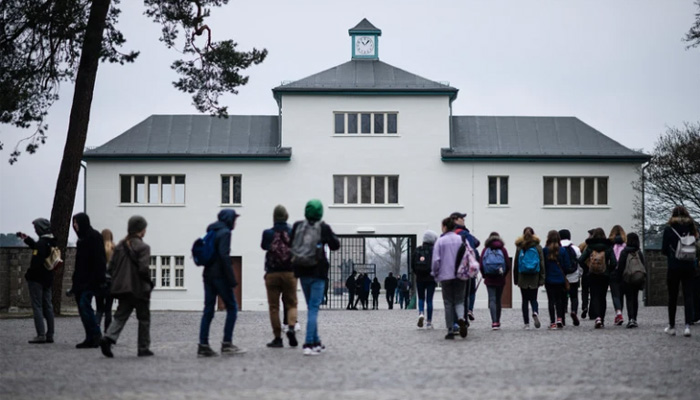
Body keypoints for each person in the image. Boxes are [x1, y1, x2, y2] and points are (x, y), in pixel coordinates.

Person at [290, 199, 340, 356]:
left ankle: (316, 342)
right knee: (313, 308)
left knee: (311, 306)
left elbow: (291, 244)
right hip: (318, 272)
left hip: (301, 271)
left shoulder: (298, 226)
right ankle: (308, 343)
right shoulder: (323, 227)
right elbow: (335, 245)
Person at [100, 216, 153, 358]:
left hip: (123, 289)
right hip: (139, 289)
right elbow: (143, 269)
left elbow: (110, 268)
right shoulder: (143, 247)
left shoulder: (119, 247)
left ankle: (108, 338)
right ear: (141, 230)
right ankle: (143, 348)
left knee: (120, 316)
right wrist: (150, 283)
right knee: (144, 318)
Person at [198, 209, 246, 357]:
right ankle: (227, 343)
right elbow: (224, 255)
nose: (236, 222)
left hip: (208, 274)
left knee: (208, 309)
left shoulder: (212, 231)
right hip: (219, 276)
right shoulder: (225, 232)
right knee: (232, 307)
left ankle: (203, 344)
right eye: (235, 219)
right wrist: (231, 279)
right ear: (229, 219)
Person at [260, 205, 298, 348]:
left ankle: (277, 338)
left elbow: (263, 246)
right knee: (292, 303)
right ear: (286, 216)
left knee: (274, 307)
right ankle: (292, 328)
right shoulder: (292, 232)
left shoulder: (268, 233)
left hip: (272, 273)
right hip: (290, 273)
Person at [17, 218, 56, 344]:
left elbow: (36, 262)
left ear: (40, 229)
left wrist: (28, 275)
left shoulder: (41, 244)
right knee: (48, 306)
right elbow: (39, 249)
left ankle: (40, 335)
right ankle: (50, 334)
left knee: (37, 306)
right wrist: (27, 239)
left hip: (37, 280)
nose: (35, 230)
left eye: (36, 228)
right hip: (48, 278)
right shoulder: (52, 241)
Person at [661, 205, 699, 337]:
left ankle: (672, 326)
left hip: (674, 267)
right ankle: (687, 326)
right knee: (688, 296)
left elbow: (664, 250)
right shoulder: (691, 228)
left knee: (673, 297)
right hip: (689, 266)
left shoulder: (669, 229)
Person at [71, 212, 107, 348]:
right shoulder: (81, 240)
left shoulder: (94, 237)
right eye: (73, 223)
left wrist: (99, 279)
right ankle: (90, 336)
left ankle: (96, 334)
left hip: (91, 281)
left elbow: (99, 260)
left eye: (76, 223)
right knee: (83, 309)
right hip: (81, 281)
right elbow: (79, 264)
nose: (75, 226)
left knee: (85, 306)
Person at [431, 217, 468, 339]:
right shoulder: (461, 239)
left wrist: (435, 274)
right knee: (459, 300)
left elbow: (436, 260)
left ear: (445, 227)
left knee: (448, 303)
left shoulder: (440, 241)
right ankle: (461, 318)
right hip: (460, 274)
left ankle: (450, 329)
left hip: (445, 275)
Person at [578, 228, 617, 329]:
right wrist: (608, 270)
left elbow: (581, 260)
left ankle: (597, 318)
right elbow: (613, 262)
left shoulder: (590, 246)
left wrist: (587, 268)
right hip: (604, 275)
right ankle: (601, 319)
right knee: (602, 297)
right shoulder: (608, 246)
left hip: (593, 274)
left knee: (594, 296)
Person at [513, 227, 545, 329]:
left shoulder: (520, 247)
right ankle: (535, 312)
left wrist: (516, 279)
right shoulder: (538, 247)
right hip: (534, 276)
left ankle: (526, 323)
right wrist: (542, 278)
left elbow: (516, 264)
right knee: (534, 298)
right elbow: (542, 263)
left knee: (525, 301)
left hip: (523, 277)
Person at [451, 212, 480, 321]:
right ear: (455, 220)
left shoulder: (448, 234)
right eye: (461, 218)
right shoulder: (465, 234)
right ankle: (466, 315)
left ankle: (454, 322)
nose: (463, 220)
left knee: (453, 296)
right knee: (469, 292)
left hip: (452, 269)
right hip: (466, 269)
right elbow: (474, 247)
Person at [479, 232, 510, 330]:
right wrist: (503, 275)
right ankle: (498, 320)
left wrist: (484, 275)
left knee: (492, 299)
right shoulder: (503, 249)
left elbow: (481, 264)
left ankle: (494, 322)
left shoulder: (485, 249)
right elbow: (508, 265)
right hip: (500, 279)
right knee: (498, 300)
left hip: (489, 279)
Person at [616, 232, 645, 328]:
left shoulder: (624, 252)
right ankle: (634, 318)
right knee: (635, 298)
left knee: (629, 298)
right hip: (637, 278)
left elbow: (620, 267)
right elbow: (643, 266)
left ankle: (630, 319)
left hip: (626, 279)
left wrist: (619, 278)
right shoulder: (639, 252)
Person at [543, 230, 569, 330]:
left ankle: (552, 322)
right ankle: (559, 319)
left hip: (549, 279)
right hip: (560, 279)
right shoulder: (562, 250)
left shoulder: (545, 250)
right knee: (559, 300)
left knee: (551, 301)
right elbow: (566, 265)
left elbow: (543, 265)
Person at [414, 230, 438, 329]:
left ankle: (420, 313)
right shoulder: (434, 250)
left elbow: (412, 264)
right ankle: (429, 322)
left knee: (421, 298)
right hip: (431, 278)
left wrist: (417, 273)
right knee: (429, 300)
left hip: (420, 278)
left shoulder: (417, 250)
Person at [559, 229, 582, 326]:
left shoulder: (557, 248)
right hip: (573, 275)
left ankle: (562, 316)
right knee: (574, 296)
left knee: (561, 296)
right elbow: (580, 262)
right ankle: (574, 311)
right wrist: (579, 273)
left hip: (561, 276)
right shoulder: (575, 248)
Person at [95, 228, 115, 332]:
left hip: (99, 282)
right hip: (111, 283)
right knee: (108, 310)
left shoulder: (98, 248)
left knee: (99, 309)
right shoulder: (114, 249)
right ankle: (108, 332)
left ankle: (96, 329)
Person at [609, 225, 627, 326]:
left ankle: (618, 313)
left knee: (615, 294)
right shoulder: (626, 244)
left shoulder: (610, 245)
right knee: (621, 294)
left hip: (613, 272)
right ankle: (620, 314)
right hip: (624, 272)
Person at [579, 229, 595, 320]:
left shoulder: (585, 245)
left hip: (586, 271)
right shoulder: (603, 246)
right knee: (594, 292)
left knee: (585, 291)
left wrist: (584, 267)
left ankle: (585, 306)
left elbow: (580, 258)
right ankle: (592, 311)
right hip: (596, 271)